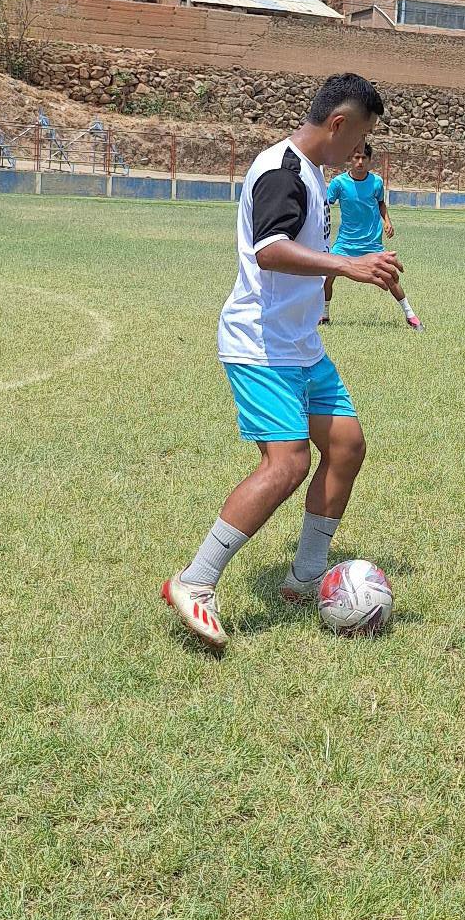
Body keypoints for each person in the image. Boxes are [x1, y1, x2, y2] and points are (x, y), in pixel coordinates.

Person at [162, 73, 401, 651]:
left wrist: (339, 280)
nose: (358, 154)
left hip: (301, 346)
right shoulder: (283, 170)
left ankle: (303, 577)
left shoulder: (315, 176)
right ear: (339, 125)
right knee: (287, 464)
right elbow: (269, 250)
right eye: (360, 138)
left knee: (345, 447)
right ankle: (195, 581)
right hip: (261, 345)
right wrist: (347, 267)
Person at [321, 141, 423, 330]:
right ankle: (324, 315)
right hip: (345, 243)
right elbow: (324, 205)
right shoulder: (338, 183)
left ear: (369, 160)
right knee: (327, 277)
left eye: (363, 158)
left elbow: (381, 204)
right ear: (350, 160)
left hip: (372, 243)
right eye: (356, 158)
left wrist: (387, 221)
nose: (360, 162)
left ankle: (411, 316)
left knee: (391, 277)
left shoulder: (376, 182)